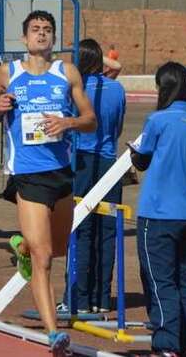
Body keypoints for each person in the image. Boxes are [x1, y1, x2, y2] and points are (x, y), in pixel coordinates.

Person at [0, 10, 96, 356]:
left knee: (56, 249)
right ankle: (53, 334)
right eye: (35, 29)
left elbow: (90, 119)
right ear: (25, 38)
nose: (41, 34)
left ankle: (22, 247)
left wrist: (68, 122)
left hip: (61, 173)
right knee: (44, 259)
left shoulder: (67, 72)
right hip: (27, 175)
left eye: (47, 29)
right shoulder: (8, 73)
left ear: (53, 38)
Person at [129, 62, 186, 357]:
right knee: (183, 280)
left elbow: (142, 159)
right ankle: (184, 339)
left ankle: (166, 344)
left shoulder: (158, 120)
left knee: (159, 281)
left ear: (163, 88)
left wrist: (133, 153)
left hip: (158, 213)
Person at [60, 39, 126, 314]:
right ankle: (102, 297)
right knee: (107, 231)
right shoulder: (117, 89)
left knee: (81, 229)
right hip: (110, 162)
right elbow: (118, 127)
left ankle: (79, 297)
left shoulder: (75, 89)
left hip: (83, 161)